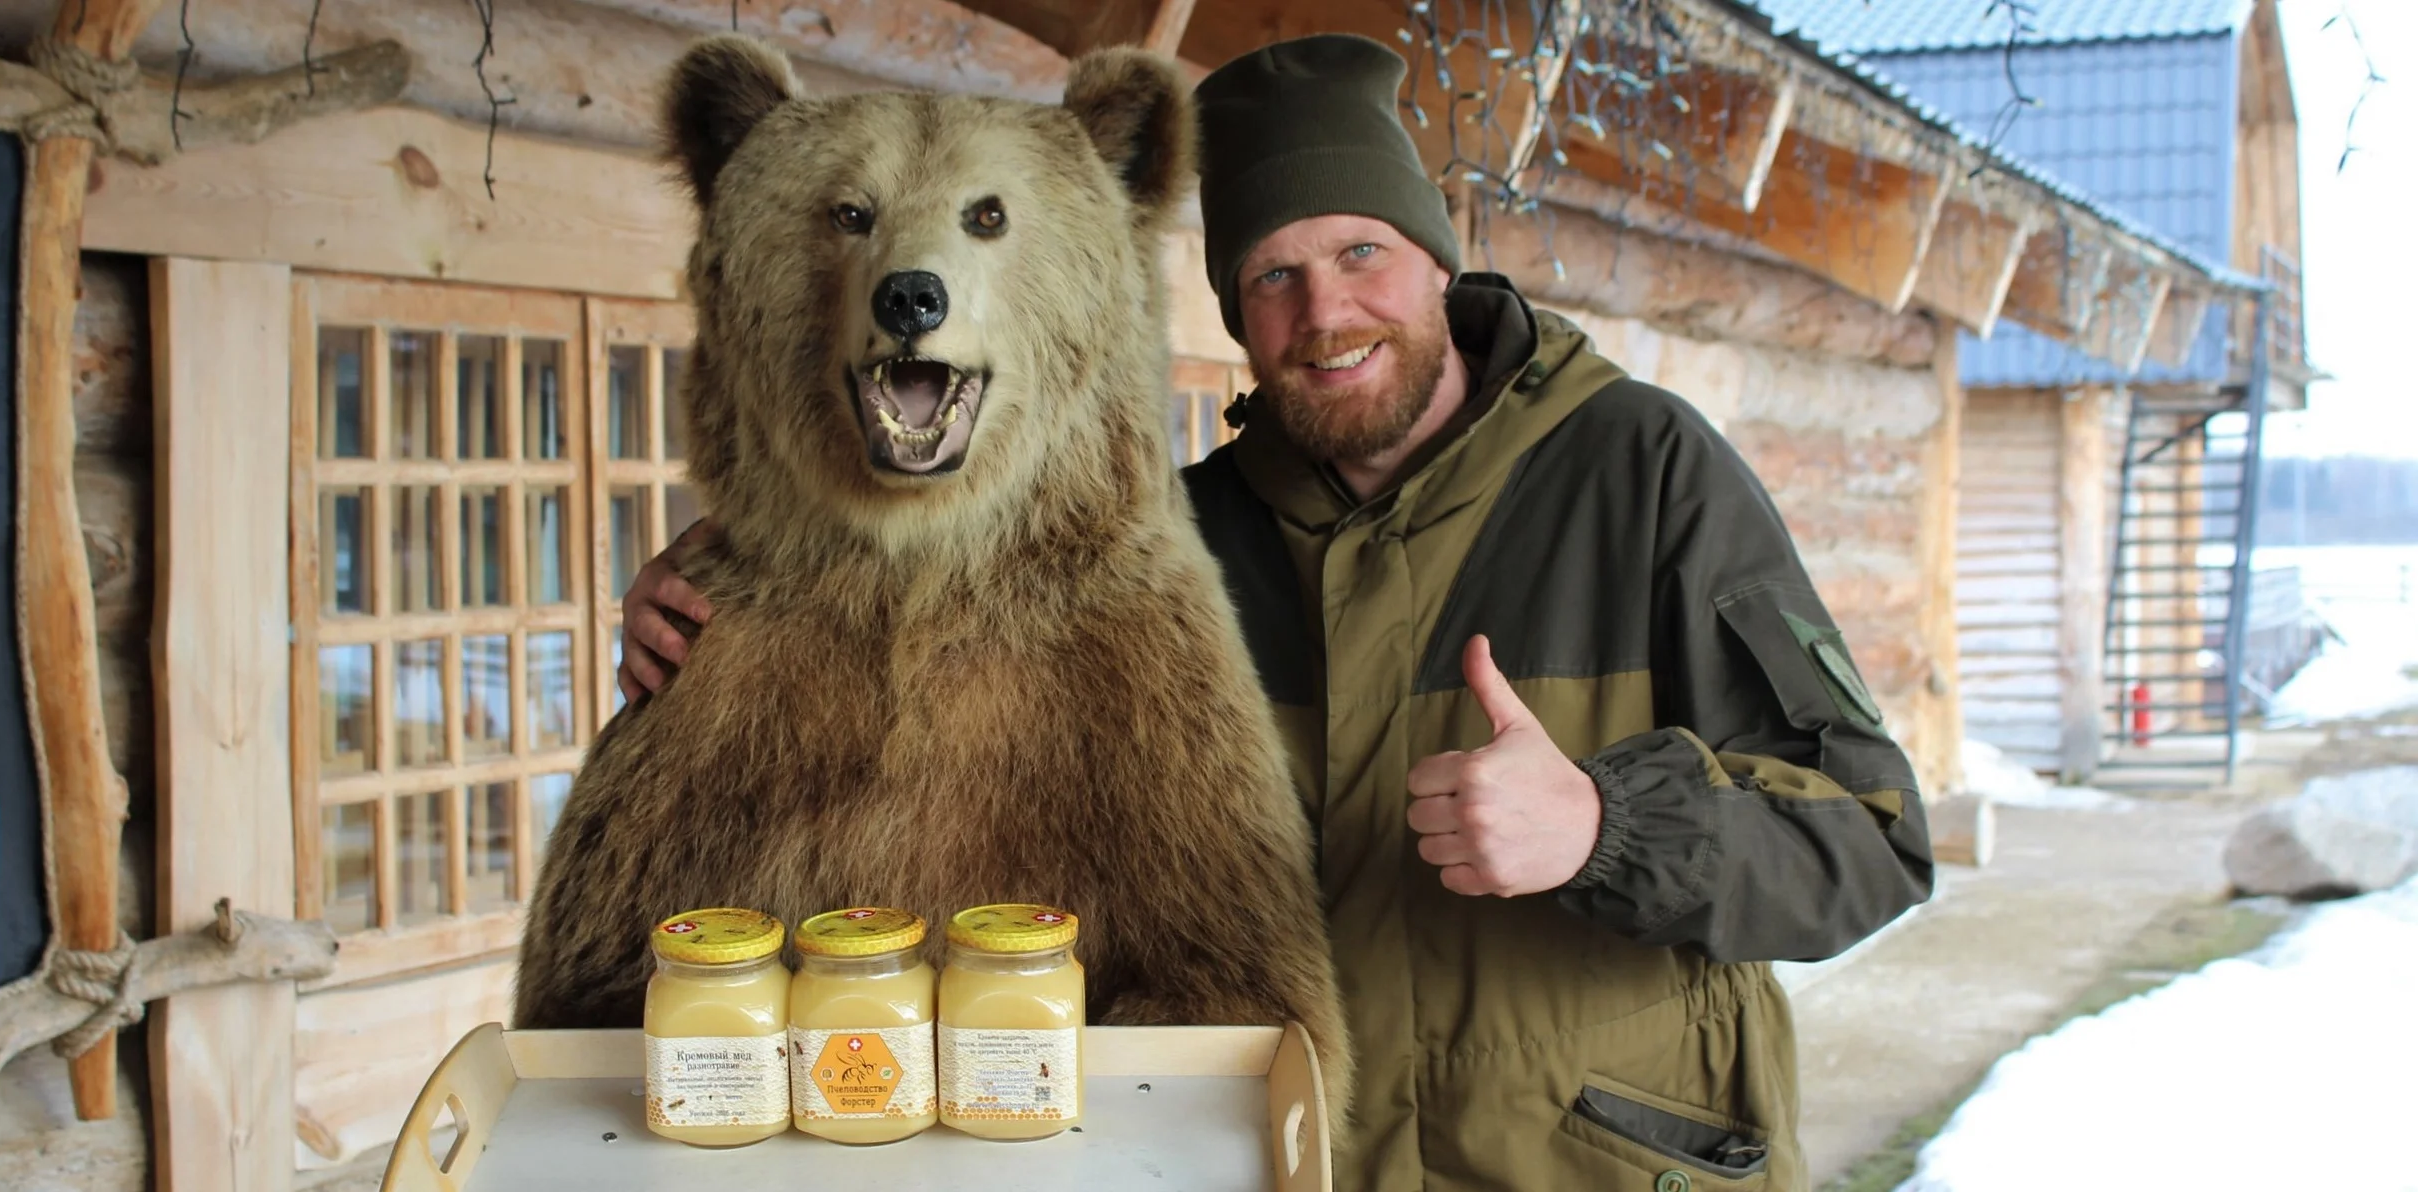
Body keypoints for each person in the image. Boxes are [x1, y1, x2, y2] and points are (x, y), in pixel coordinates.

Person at [616, 32, 1933, 1192]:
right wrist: (723, 591)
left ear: (1429, 261)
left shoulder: (1639, 469)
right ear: (1235, 317)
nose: (1325, 314)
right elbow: (932, 611)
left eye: (1359, 253)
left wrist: (1604, 825)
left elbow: (1872, 845)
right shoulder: (1178, 537)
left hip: (1594, 1160)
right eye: (1272, 279)